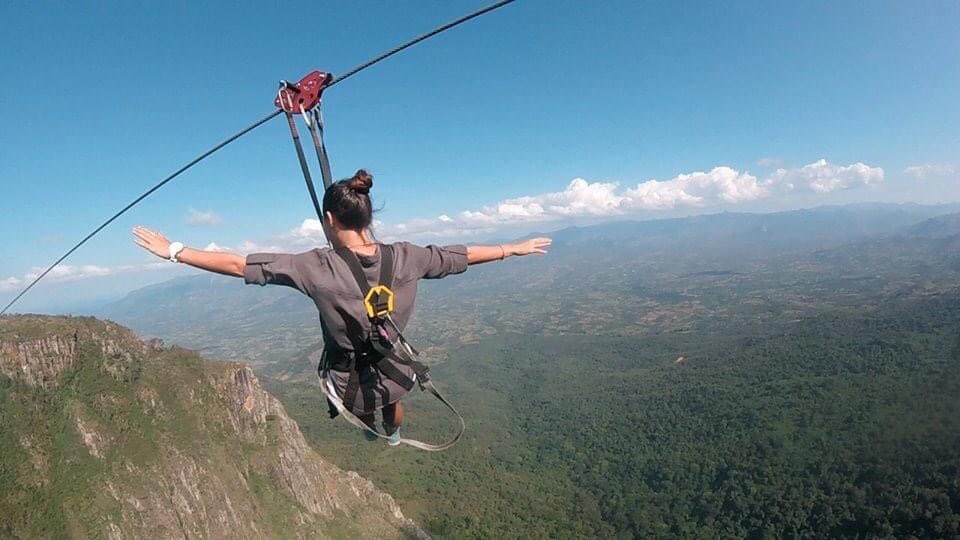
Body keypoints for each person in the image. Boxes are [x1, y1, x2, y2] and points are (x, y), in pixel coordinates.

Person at [132, 169, 551, 445]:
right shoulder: (407, 256)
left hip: (346, 374)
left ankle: (376, 428)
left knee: (359, 404)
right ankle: (392, 433)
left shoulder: (315, 267)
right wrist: (510, 248)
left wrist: (175, 250)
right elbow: (458, 256)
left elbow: (238, 263)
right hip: (396, 365)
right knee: (391, 403)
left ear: (329, 219)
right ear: (366, 218)